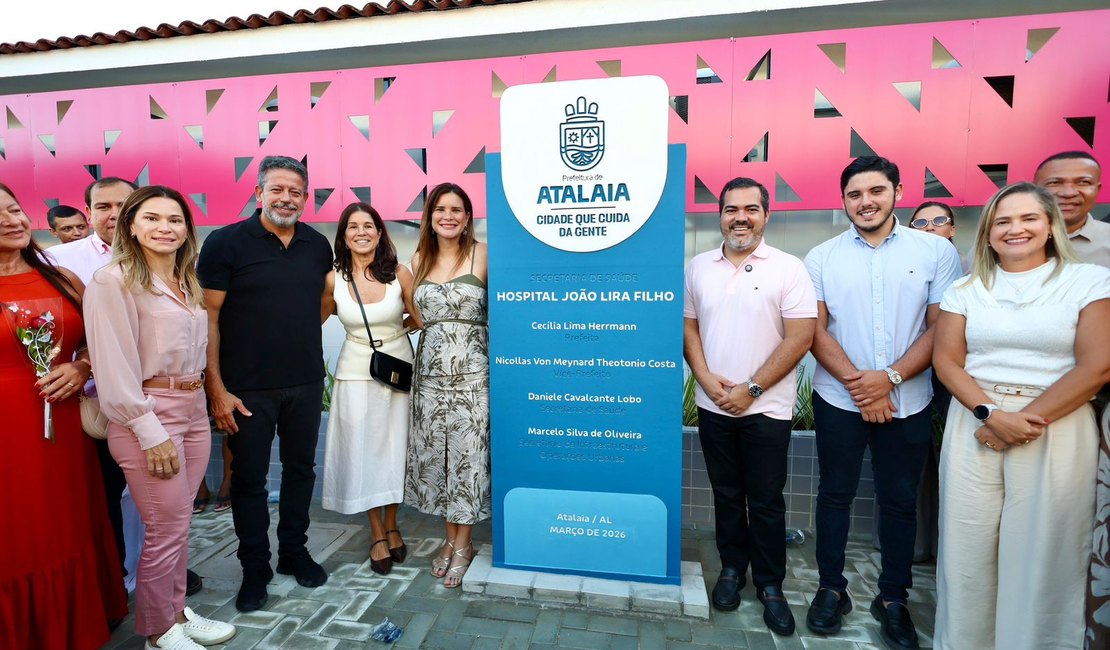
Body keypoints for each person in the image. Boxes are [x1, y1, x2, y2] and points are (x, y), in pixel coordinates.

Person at [932, 182, 1110, 649]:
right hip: (976, 418)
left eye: (1028, 218)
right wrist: (990, 414)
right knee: (966, 548)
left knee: (1044, 553)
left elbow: (1097, 365)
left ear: (1050, 226)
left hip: (1056, 423)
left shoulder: (1089, 281)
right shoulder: (966, 288)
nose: (1016, 229)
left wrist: (1020, 422)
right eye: (1003, 221)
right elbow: (947, 360)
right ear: (988, 233)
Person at [803, 156, 962, 649]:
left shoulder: (935, 251)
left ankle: (893, 598)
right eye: (854, 194)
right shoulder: (822, 256)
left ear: (897, 191)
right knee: (834, 495)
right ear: (844, 200)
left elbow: (943, 327)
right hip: (838, 397)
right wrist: (860, 385)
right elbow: (814, 328)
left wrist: (889, 379)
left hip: (909, 399)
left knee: (898, 501)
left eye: (875, 191)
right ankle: (832, 589)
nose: (865, 202)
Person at [85, 186, 237, 649]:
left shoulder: (185, 279)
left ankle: (174, 612)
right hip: (146, 418)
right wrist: (150, 432)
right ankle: (158, 631)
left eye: (174, 219)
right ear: (131, 225)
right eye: (152, 218)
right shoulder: (112, 282)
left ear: (187, 230)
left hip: (191, 412)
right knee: (165, 529)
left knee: (178, 525)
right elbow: (113, 368)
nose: (164, 227)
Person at [198, 155, 333, 612]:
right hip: (246, 391)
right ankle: (255, 566)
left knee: (300, 472)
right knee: (250, 481)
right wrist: (216, 388)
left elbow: (319, 305)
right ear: (259, 194)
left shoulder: (317, 245)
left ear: (305, 198)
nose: (287, 198)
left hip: (305, 383)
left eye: (296, 191)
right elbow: (208, 317)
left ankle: (293, 552)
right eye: (277, 189)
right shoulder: (225, 243)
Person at [683, 177, 816, 635]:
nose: (740, 217)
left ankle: (771, 586)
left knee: (765, 501)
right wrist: (704, 378)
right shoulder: (698, 266)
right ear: (719, 215)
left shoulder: (788, 268)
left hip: (767, 410)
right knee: (725, 495)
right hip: (714, 405)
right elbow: (689, 329)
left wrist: (752, 389)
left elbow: (801, 337)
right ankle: (731, 571)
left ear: (766, 215)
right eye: (731, 209)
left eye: (750, 209)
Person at [0, 182, 128, 649]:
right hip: (7, 434)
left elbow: (99, 340)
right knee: (20, 533)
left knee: (69, 521)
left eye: (13, 209)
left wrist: (81, 366)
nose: (12, 221)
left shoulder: (62, 278)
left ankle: (81, 620)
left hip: (65, 426)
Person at [321, 202, 419, 574]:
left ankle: (393, 523)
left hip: (397, 372)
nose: (361, 232)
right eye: (352, 227)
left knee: (396, 451)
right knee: (362, 452)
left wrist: (395, 333)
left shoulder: (400, 273)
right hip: (355, 375)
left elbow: (419, 316)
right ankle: (377, 531)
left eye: (368, 226)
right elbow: (311, 319)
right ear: (343, 236)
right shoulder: (333, 279)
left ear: (380, 233)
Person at [405, 182, 489, 589]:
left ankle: (463, 544)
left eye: (457, 209)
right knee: (438, 458)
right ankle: (449, 538)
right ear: (430, 217)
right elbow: (410, 316)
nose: (448, 216)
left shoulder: (484, 253)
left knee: (467, 458)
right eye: (440, 209)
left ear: (468, 217)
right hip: (429, 380)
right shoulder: (418, 259)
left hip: (474, 376)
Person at [1034, 151, 1108, 267]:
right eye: (1054, 183)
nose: (1068, 193)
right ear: (1034, 190)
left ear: (1097, 189)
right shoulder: (1010, 239)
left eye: (1083, 182)